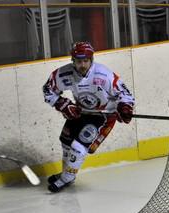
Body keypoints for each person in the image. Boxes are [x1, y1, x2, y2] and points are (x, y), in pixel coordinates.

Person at [43, 41, 135, 192]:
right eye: (79, 61)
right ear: (73, 61)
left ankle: (67, 178)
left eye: (86, 61)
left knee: (78, 147)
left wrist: (124, 107)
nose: (83, 65)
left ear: (91, 59)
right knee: (65, 141)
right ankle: (67, 173)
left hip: (103, 116)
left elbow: (125, 94)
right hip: (80, 112)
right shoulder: (64, 74)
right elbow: (48, 90)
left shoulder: (103, 74)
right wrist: (62, 104)